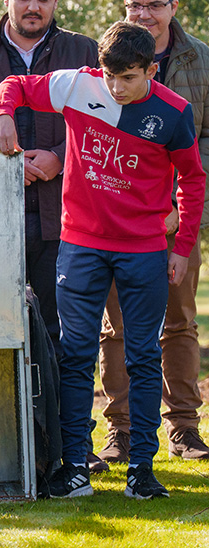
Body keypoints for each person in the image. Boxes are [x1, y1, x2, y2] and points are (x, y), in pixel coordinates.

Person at [0, 21, 205, 499]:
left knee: (144, 356)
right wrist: (4, 113)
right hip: (81, 246)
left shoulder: (174, 113)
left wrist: (183, 247)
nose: (115, 88)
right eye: (109, 77)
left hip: (145, 250)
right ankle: (74, 469)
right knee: (76, 355)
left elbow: (193, 180)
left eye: (128, 78)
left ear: (151, 70)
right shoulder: (77, 83)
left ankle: (142, 471)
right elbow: (16, 85)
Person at [0, 0, 106, 472]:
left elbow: (109, 123)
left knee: (63, 336)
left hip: (64, 218)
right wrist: (2, 156)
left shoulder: (82, 51)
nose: (34, 6)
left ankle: (71, 448)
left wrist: (57, 155)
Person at [97, 0, 209, 464]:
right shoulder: (103, 57)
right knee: (116, 328)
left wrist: (178, 205)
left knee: (179, 322)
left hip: (175, 219)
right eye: (134, 4)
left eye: (154, 3)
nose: (143, 12)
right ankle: (119, 431)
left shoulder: (201, 60)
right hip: (116, 222)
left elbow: (203, 139)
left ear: (174, 6)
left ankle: (184, 428)